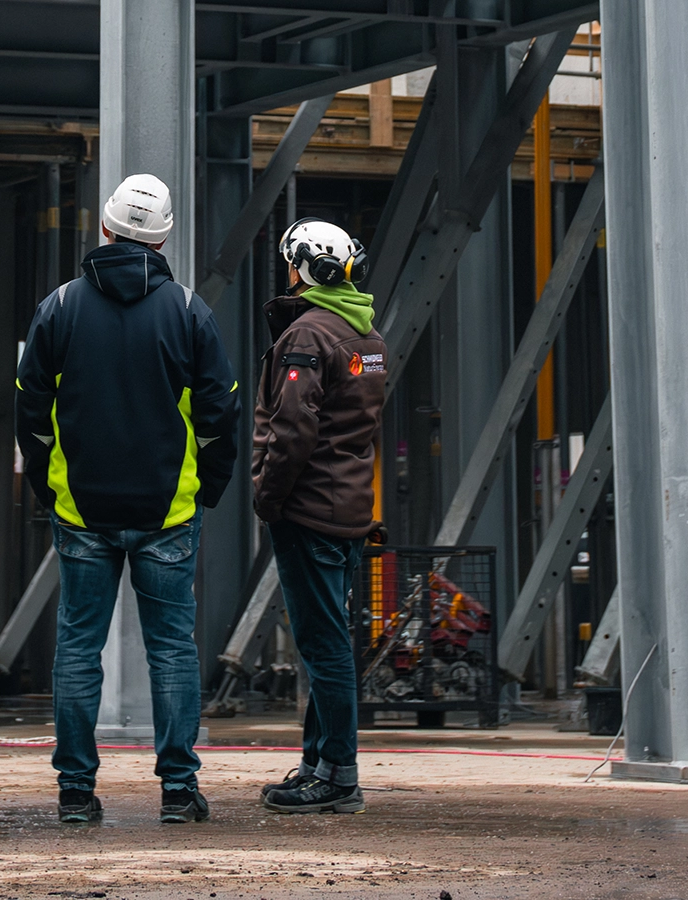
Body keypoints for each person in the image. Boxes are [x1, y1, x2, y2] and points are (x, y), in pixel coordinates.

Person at [16, 174, 241, 825]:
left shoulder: (58, 308)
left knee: (78, 647)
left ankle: (75, 793)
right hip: (167, 513)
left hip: (81, 510)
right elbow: (221, 414)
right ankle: (177, 790)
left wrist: (49, 486)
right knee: (171, 647)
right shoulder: (190, 311)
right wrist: (210, 490)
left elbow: (30, 412)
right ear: (164, 237)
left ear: (106, 229)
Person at [251, 218, 386, 814]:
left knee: (324, 644)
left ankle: (340, 776)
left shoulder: (308, 336)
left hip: (309, 510)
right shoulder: (366, 337)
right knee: (325, 640)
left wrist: (268, 495)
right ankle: (318, 762)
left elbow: (293, 430)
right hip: (348, 508)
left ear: (303, 267)